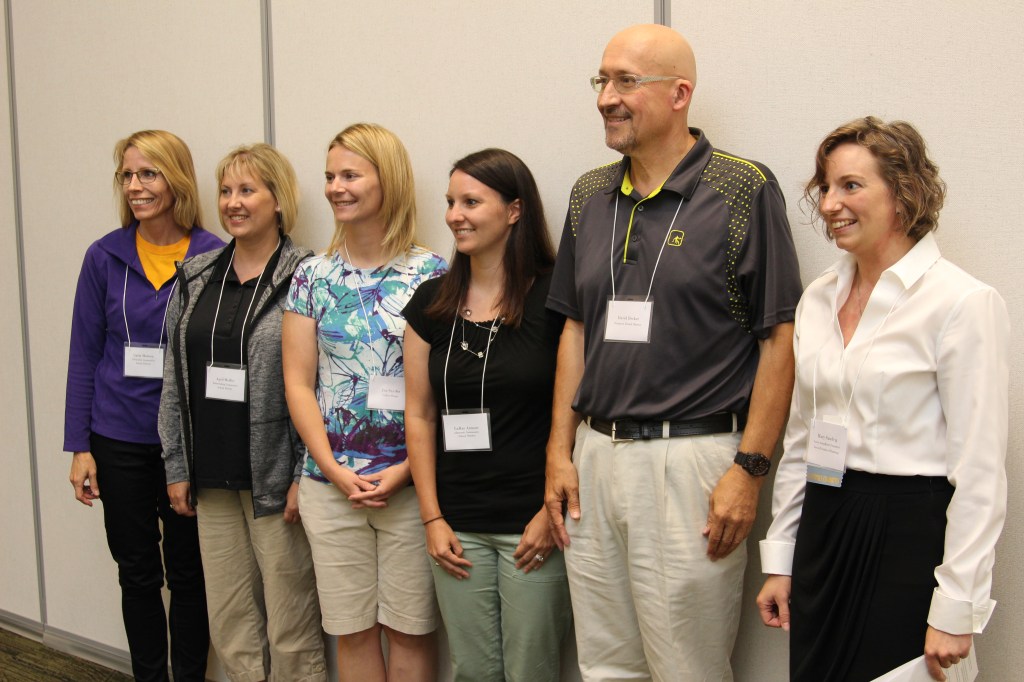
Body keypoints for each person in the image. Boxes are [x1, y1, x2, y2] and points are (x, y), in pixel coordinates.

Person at [543, 24, 803, 681]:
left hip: (691, 459)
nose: (606, 97)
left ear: (680, 93)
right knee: (606, 665)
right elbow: (575, 329)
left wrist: (749, 470)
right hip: (594, 457)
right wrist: (559, 451)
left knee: (688, 667)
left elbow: (779, 339)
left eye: (626, 81)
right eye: (602, 80)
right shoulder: (588, 194)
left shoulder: (741, 188)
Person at [756, 117, 1010, 682]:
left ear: (904, 193)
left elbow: (980, 474)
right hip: (824, 526)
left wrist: (956, 606)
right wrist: (782, 558)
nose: (829, 204)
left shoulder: (962, 302)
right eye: (825, 186)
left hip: (907, 537)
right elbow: (801, 441)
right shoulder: (818, 298)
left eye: (850, 185)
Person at [282, 123, 446, 682]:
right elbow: (298, 383)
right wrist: (331, 469)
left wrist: (406, 471)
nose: (335, 187)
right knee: (351, 631)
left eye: (350, 175)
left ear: (388, 180)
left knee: (409, 630)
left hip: (412, 483)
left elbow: (443, 390)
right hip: (331, 487)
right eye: (330, 176)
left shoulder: (433, 274)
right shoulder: (313, 275)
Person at [159, 143, 327, 682]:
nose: (233, 202)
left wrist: (305, 472)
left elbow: (319, 384)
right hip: (210, 476)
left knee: (290, 622)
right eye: (226, 191)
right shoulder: (196, 276)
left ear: (278, 200)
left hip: (275, 477)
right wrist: (176, 464)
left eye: (247, 190)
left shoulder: (308, 275)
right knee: (230, 621)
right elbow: (173, 378)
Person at [403, 149, 572, 682]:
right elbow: (419, 416)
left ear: (515, 210)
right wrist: (432, 519)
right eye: (451, 202)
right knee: (472, 671)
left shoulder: (555, 297)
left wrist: (550, 513)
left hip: (533, 525)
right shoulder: (431, 302)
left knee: (531, 672)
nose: (455, 215)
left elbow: (575, 414)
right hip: (457, 525)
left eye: (471, 202)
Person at [64, 130, 223, 681]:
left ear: (176, 180)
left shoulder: (214, 256)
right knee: (136, 574)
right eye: (127, 175)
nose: (135, 186)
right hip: (118, 438)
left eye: (148, 174)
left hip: (189, 443)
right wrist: (79, 446)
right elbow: (84, 354)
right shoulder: (104, 256)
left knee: (190, 574)